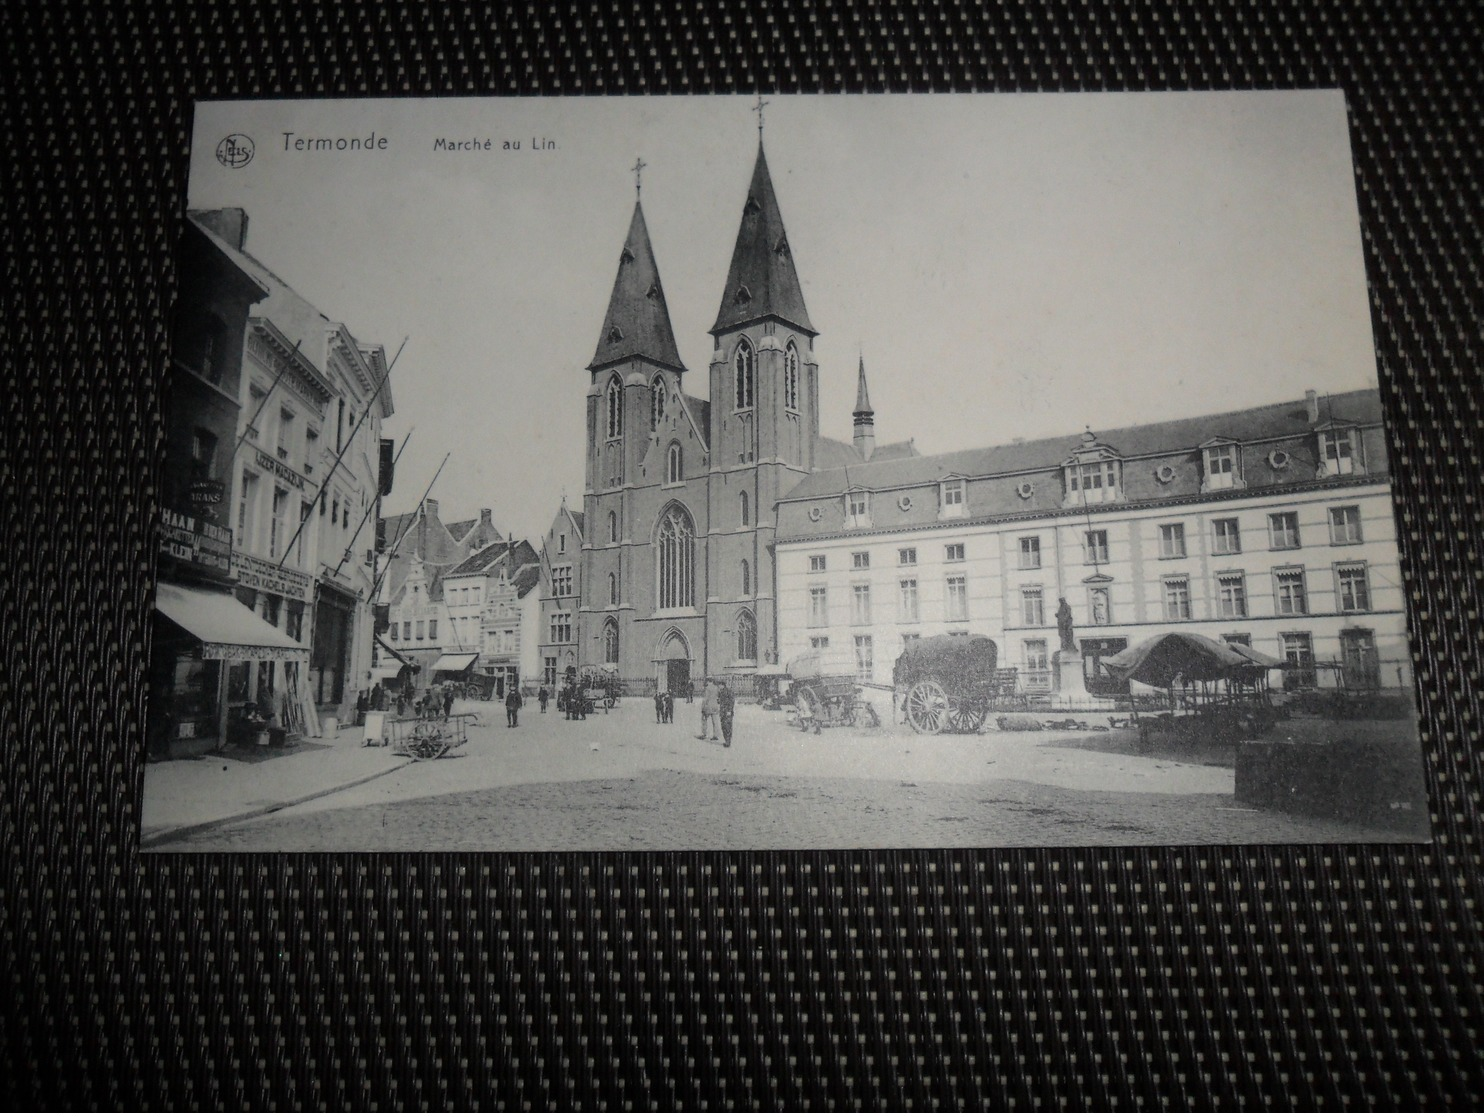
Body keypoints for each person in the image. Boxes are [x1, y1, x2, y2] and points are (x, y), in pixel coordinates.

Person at [717, 680, 735, 748]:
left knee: (727, 727)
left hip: (727, 712)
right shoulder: (720, 692)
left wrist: (729, 710)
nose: (718, 687)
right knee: (723, 727)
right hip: (722, 712)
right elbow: (720, 701)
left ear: (722, 685)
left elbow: (732, 701)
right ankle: (726, 740)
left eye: (719, 685)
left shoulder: (728, 691)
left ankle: (728, 741)